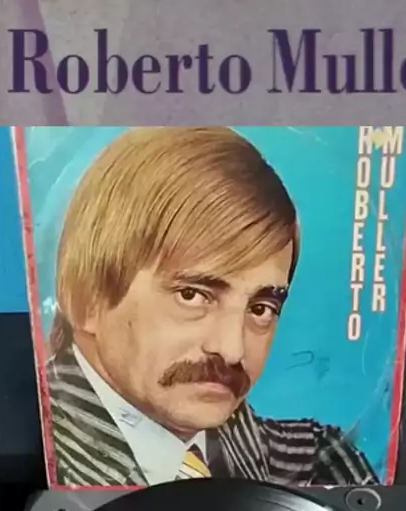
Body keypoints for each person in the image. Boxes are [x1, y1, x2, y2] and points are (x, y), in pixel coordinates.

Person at [46, 127, 377, 488]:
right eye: (192, 295)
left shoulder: (320, 465)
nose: (232, 350)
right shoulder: (32, 468)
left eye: (261, 308)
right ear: (87, 299)